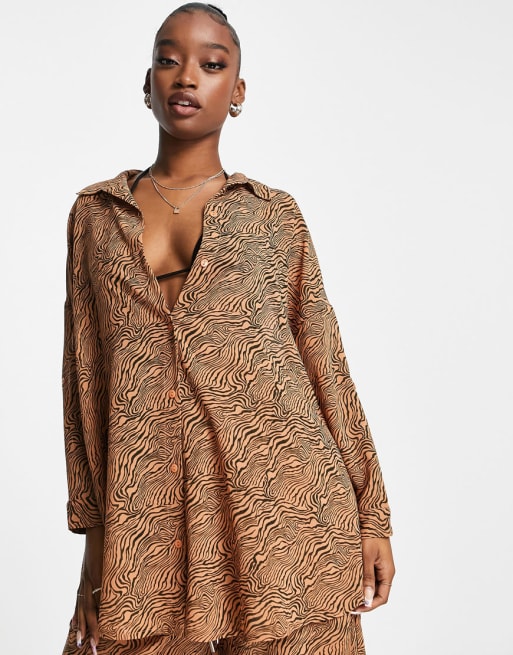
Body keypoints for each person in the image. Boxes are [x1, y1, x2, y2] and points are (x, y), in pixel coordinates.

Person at [62, 4, 395, 654]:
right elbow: (85, 389)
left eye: (211, 64)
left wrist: (371, 514)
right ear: (148, 82)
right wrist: (95, 554)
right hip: (147, 532)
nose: (186, 76)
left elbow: (325, 366)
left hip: (284, 518)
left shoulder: (274, 217)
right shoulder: (96, 216)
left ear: (237, 91)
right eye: (168, 59)